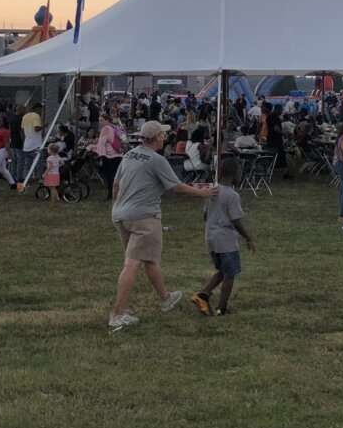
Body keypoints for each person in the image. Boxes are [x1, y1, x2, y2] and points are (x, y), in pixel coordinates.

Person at [109, 121, 218, 330]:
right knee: (132, 264)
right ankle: (117, 313)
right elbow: (176, 187)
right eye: (163, 134)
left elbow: (116, 184)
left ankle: (166, 298)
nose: (165, 137)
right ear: (157, 137)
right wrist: (203, 193)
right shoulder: (157, 160)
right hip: (144, 217)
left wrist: (118, 205)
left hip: (121, 214)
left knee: (148, 259)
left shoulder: (130, 155)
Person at [191, 157, 255, 317]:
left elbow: (205, 216)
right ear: (234, 174)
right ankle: (222, 308)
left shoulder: (211, 191)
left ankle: (203, 295)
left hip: (211, 238)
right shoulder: (232, 195)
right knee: (230, 274)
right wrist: (248, 238)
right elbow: (236, 221)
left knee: (222, 270)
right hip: (226, 240)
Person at [94, 112, 124, 201]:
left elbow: (102, 143)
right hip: (118, 154)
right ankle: (119, 194)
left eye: (101, 120)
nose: (100, 122)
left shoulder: (105, 129)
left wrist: (100, 154)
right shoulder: (114, 127)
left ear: (107, 120)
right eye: (99, 120)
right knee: (117, 175)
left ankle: (111, 194)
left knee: (109, 176)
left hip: (109, 156)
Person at [21, 103, 44, 185]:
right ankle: (39, 179)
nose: (41, 112)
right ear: (37, 109)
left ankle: (26, 180)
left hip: (27, 145)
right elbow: (36, 128)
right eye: (41, 110)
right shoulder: (36, 116)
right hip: (36, 145)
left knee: (27, 165)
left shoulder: (25, 116)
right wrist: (44, 126)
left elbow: (22, 130)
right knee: (39, 164)